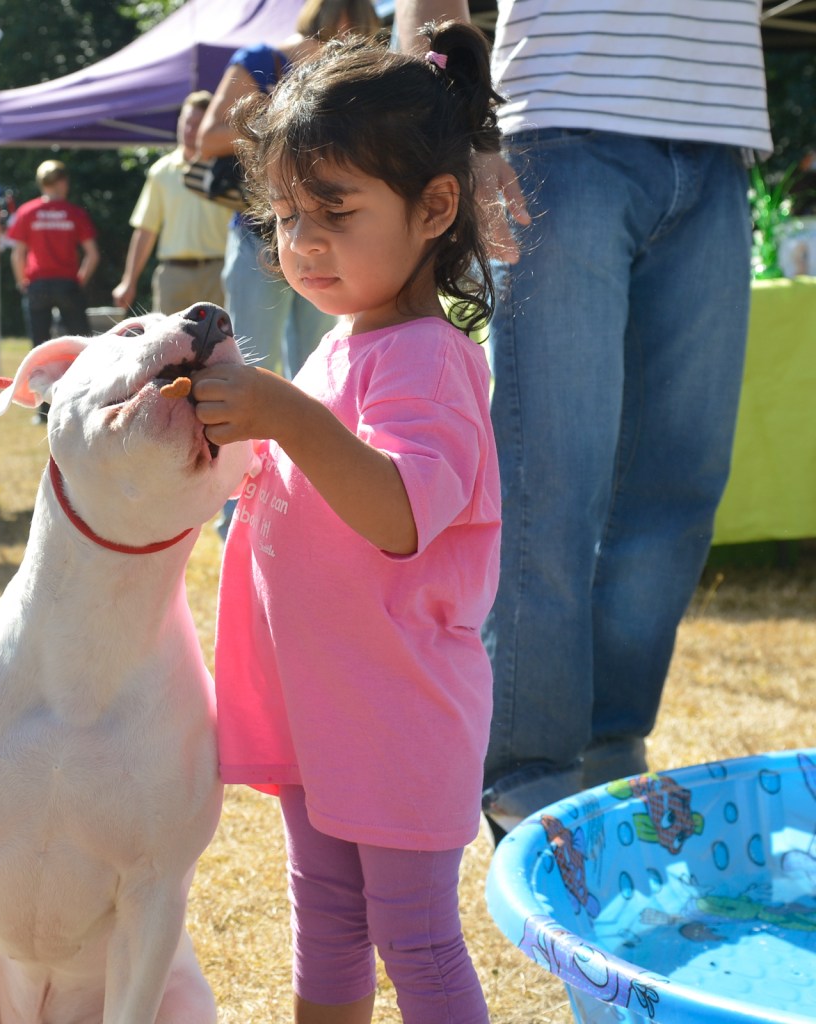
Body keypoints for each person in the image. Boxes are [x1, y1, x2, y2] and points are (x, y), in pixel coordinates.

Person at [191, 22, 502, 1023]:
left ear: (434, 208)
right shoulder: (337, 351)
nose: (303, 240)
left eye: (335, 209)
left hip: (399, 718)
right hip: (321, 708)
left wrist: (282, 412)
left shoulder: (430, 360)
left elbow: (400, 512)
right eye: (284, 216)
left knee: (414, 938)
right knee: (322, 921)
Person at [478, 1, 773, 840]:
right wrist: (459, 122)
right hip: (562, 123)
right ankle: (529, 782)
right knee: (550, 480)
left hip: (720, 139)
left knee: (681, 486)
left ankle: (611, 759)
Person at [195, 0, 381, 379]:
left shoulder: (363, 72)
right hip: (261, 234)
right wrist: (288, 118)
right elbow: (207, 138)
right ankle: (245, 441)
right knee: (248, 363)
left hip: (333, 233)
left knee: (322, 367)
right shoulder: (262, 59)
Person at [111, 91, 230, 315]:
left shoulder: (227, 171)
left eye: (197, 123)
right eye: (186, 122)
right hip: (174, 275)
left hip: (219, 272)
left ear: (209, 126)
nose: (189, 129)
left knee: (220, 346)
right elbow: (145, 230)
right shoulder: (161, 171)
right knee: (169, 347)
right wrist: (129, 281)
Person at [7, 159, 98, 423]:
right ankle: (86, 400)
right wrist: (80, 278)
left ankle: (43, 411)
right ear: (60, 182)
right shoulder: (74, 213)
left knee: (39, 348)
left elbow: (18, 254)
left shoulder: (27, 211)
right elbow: (92, 254)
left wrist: (21, 280)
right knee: (82, 346)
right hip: (67, 284)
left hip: (37, 285)